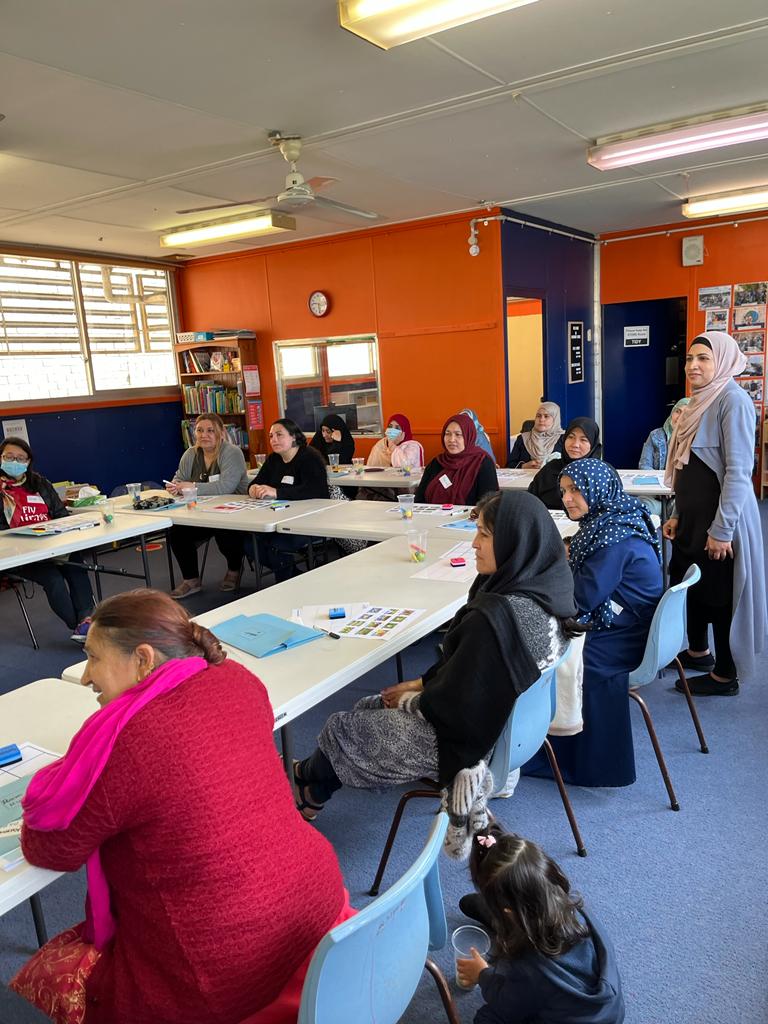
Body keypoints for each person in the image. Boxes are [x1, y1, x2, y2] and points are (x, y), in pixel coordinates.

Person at [12, 589, 353, 1024]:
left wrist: (69, 772)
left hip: (218, 969)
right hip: (310, 903)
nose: (85, 678)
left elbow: (49, 850)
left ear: (143, 658)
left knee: (49, 970)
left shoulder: (126, 744)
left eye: (94, 658)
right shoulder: (238, 678)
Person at [292, 491, 579, 855]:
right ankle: (312, 779)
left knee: (342, 725)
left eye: (485, 535)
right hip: (515, 729)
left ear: (513, 540)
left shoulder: (495, 618)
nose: (473, 544)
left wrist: (416, 697)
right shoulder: (548, 589)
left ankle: (309, 787)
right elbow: (467, 673)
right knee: (372, 705)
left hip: (464, 745)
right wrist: (420, 683)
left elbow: (454, 705)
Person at [526, 460, 662, 787]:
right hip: (627, 620)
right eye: (563, 491)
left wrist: (533, 588)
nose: (567, 498)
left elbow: (579, 600)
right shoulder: (613, 518)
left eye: (575, 490)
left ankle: (581, 763)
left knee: (556, 655)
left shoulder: (613, 540)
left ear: (597, 489)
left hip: (625, 635)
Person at [663, 331, 767, 696]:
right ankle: (698, 652)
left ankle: (725, 674)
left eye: (703, 359)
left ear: (721, 361)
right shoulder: (695, 403)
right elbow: (687, 466)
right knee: (690, 584)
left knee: (720, 594)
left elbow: (739, 473)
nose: (693, 365)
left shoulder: (732, 400)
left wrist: (722, 530)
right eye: (690, 358)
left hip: (721, 520)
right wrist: (677, 512)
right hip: (692, 518)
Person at [456, 826, 625, 1024]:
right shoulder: (578, 911)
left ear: (509, 913)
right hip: (608, 1011)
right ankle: (500, 916)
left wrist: (483, 975)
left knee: (486, 1019)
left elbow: (506, 1004)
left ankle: (500, 918)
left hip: (568, 1016)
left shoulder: (528, 967)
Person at [0, 436, 94, 641]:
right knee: (53, 579)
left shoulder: (40, 484)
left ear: (28, 462)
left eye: (20, 458)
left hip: (52, 545)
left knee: (76, 565)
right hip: (19, 554)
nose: (14, 462)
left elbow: (60, 514)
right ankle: (78, 626)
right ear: (1, 458)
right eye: (9, 457)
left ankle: (87, 621)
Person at [166, 413, 250, 599]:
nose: (204, 435)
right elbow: (179, 478)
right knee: (177, 531)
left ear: (221, 432)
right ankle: (191, 580)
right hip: (201, 511)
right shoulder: (190, 454)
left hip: (235, 510)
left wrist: (192, 486)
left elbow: (226, 487)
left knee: (223, 529)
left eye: (210, 430)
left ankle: (234, 570)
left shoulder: (232, 453)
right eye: (199, 430)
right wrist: (174, 486)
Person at [249, 418, 330, 582]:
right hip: (278, 518)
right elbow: (255, 482)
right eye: (271, 436)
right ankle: (292, 576)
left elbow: (313, 490)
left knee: (277, 546)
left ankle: (286, 581)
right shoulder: (274, 459)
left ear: (293, 436)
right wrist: (253, 489)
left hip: (311, 520)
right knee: (249, 543)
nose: (274, 440)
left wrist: (277, 492)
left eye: (279, 435)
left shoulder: (309, 457)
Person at [415, 413, 498, 505]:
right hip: (431, 517)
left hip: (469, 518)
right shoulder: (436, 463)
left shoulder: (482, 462)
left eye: (458, 434)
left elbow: (489, 505)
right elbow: (419, 500)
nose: (451, 439)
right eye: (448, 434)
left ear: (468, 436)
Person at [527, 417, 602, 511]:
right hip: (548, 523)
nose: (575, 444)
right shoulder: (550, 469)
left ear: (593, 445)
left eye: (583, 440)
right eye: (571, 437)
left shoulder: (602, 473)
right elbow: (529, 503)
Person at [359, 413, 425, 502]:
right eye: (390, 426)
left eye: (397, 428)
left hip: (405, 491)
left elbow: (403, 467)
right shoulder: (381, 444)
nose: (392, 430)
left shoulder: (412, 446)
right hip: (380, 485)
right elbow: (371, 467)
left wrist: (394, 445)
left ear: (404, 431)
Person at [507, 402, 565, 469]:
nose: (541, 420)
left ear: (555, 419)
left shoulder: (564, 438)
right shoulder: (523, 438)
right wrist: (524, 466)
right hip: (526, 478)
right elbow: (510, 464)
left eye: (546, 416)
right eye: (538, 416)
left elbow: (569, 463)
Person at [638, 398, 690, 471]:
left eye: (685, 414)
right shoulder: (655, 435)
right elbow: (644, 466)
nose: (679, 417)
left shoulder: (695, 439)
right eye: (678, 411)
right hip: (658, 480)